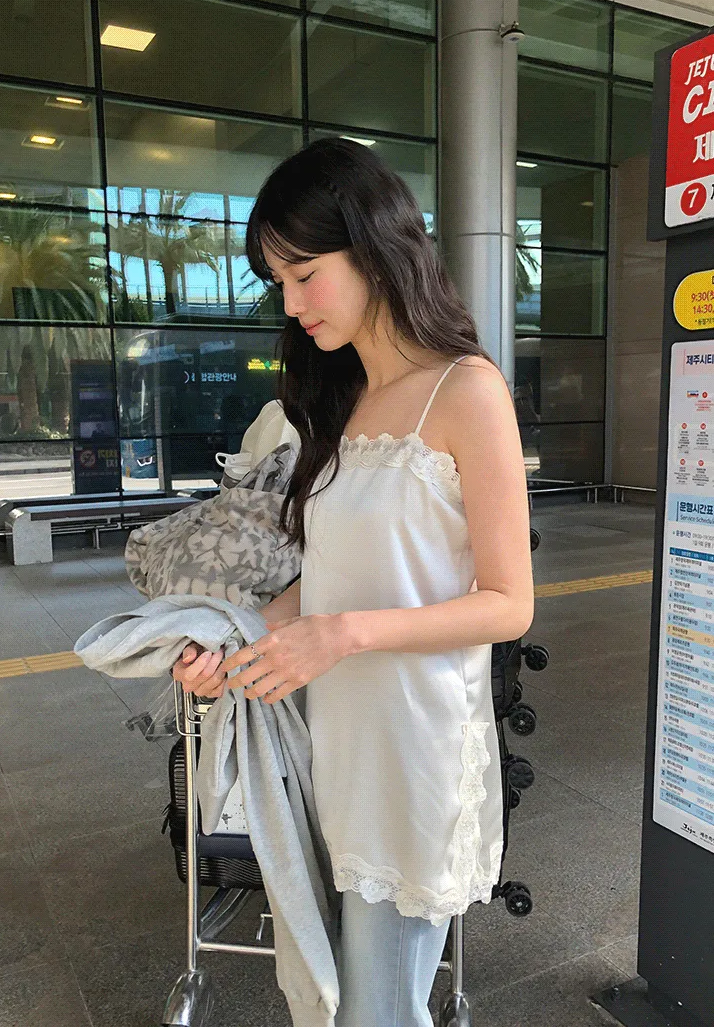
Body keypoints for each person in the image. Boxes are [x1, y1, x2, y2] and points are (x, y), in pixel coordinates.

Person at [172, 137, 534, 1027]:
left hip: (414, 753)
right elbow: (326, 583)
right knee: (349, 1002)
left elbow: (509, 603)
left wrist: (344, 635)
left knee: (379, 1011)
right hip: (337, 746)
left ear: (374, 249)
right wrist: (235, 645)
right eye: (279, 282)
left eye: (305, 275)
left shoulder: (467, 390)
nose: (291, 305)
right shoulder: (344, 400)